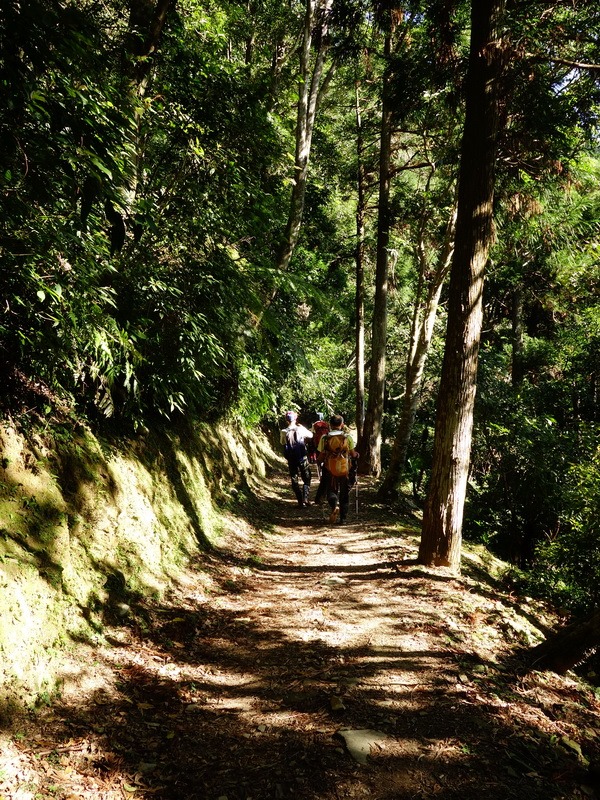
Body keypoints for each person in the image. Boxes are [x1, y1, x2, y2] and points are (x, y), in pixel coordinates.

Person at [317, 414, 359, 524]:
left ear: (330, 425)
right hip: (345, 469)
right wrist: (356, 455)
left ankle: (335, 505)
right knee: (344, 493)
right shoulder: (347, 437)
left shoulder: (325, 438)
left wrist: (318, 461)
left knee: (331, 490)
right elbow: (353, 454)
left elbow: (321, 455)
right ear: (342, 425)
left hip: (329, 468)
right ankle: (343, 519)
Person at [280, 411, 313, 507]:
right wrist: (302, 428)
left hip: (291, 459)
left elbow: (282, 443)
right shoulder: (300, 429)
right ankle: (305, 498)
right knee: (307, 477)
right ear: (295, 419)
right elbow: (311, 435)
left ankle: (300, 501)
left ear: (286, 420)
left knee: (294, 479)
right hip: (302, 457)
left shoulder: (283, 431)